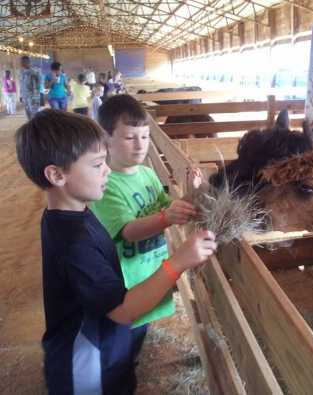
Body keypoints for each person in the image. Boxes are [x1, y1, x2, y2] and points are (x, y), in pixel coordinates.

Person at [15, 109, 216, 394]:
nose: (107, 170)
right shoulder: (74, 242)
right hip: (85, 364)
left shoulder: (74, 213)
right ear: (57, 174)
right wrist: (179, 262)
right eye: (97, 164)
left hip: (104, 345)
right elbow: (122, 311)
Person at [91, 94, 202, 330]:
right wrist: (165, 218)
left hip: (151, 271)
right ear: (106, 139)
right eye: (130, 137)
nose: (141, 145)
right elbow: (128, 231)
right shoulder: (106, 185)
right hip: (127, 281)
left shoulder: (148, 175)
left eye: (145, 136)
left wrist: (192, 193)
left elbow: (171, 209)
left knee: (140, 332)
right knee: (122, 338)